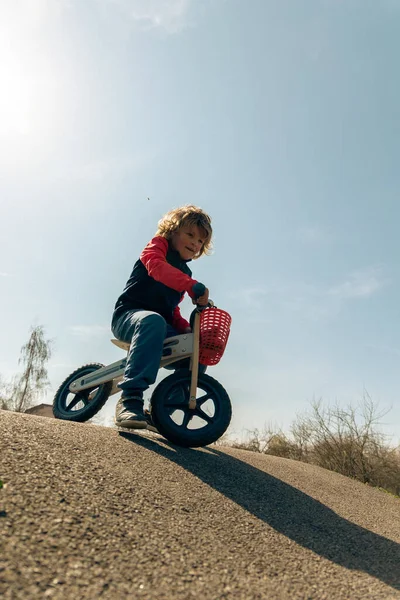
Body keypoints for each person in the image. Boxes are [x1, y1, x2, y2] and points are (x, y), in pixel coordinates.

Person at [111, 205, 212, 429]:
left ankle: (163, 409)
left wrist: (186, 330)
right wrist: (190, 286)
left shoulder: (186, 273)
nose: (195, 243)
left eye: (200, 242)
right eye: (190, 235)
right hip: (129, 316)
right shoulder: (157, 247)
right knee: (153, 320)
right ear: (173, 231)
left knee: (196, 350)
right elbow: (156, 268)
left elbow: (172, 309)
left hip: (159, 324)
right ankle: (130, 398)